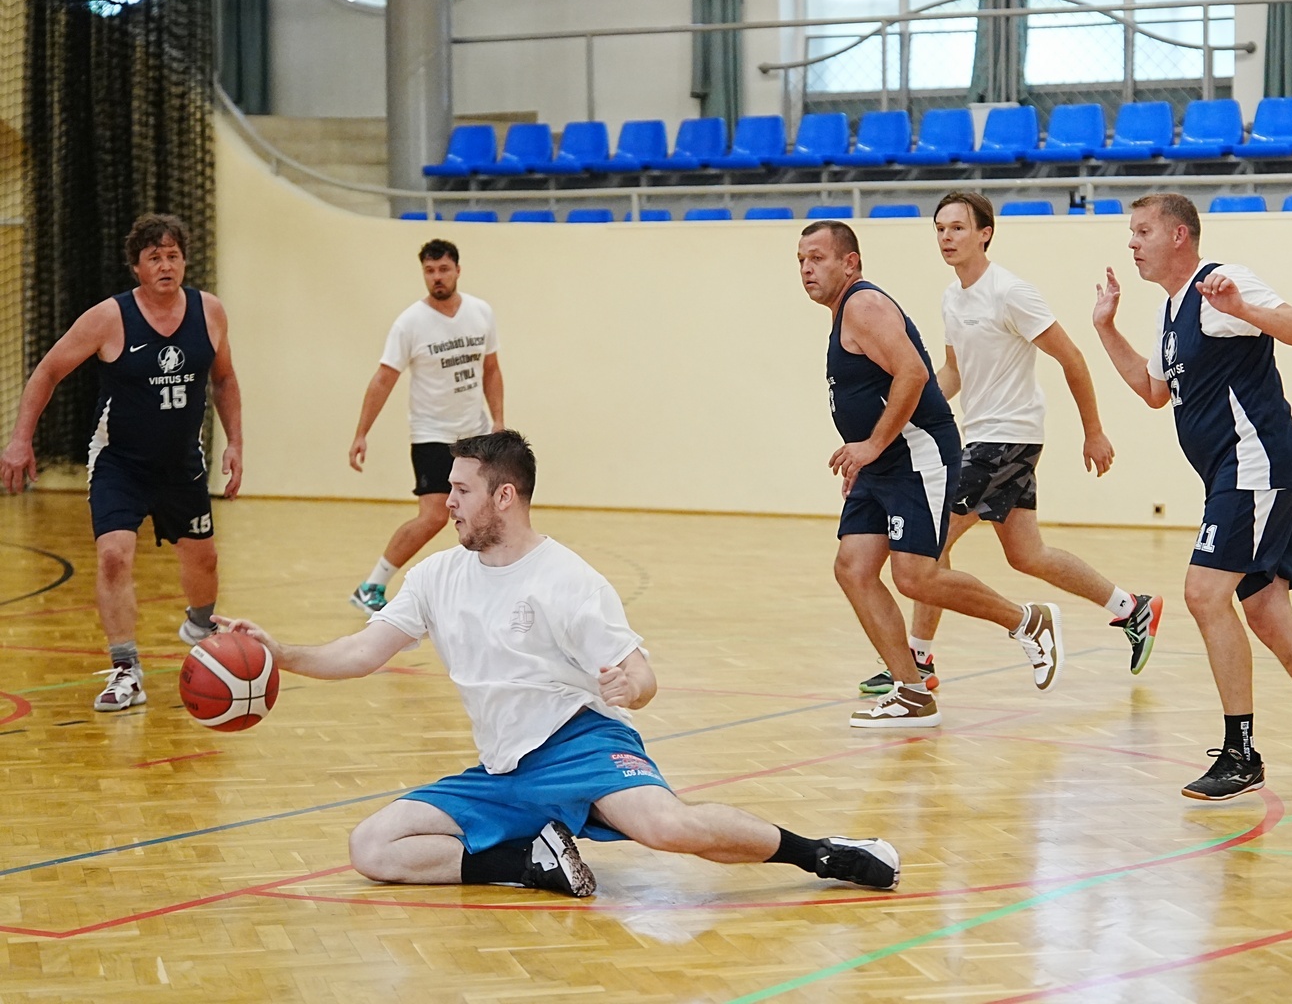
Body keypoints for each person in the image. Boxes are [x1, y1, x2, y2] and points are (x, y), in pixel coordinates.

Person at [216, 431, 900, 897]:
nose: (447, 502)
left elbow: (640, 673)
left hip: (579, 743)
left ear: (504, 496)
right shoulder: (435, 577)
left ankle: (821, 852)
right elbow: (361, 652)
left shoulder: (566, 579)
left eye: (461, 490)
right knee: (372, 848)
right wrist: (281, 654)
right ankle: (531, 862)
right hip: (502, 769)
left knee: (669, 827)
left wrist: (633, 686)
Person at [1090, 193, 1292, 800]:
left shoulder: (1221, 283)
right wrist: (1105, 328)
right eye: (1131, 234)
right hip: (1236, 474)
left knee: (1204, 593)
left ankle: (1240, 754)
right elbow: (1153, 390)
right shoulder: (1172, 308)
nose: (1132, 243)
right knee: (1269, 614)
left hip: (1254, 466)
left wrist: (1245, 307)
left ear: (1179, 235)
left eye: (1143, 231)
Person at [858, 192, 1163, 698]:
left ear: (985, 234)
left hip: (1007, 437)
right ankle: (1132, 608)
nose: (947, 237)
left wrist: (1093, 431)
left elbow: (1072, 359)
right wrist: (904, 416)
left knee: (929, 544)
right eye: (940, 229)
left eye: (958, 228)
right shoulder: (952, 298)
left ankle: (917, 658)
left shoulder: (1011, 293)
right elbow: (953, 372)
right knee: (1027, 554)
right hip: (984, 436)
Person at [798, 220, 1064, 731]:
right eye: (801, 260)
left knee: (915, 576)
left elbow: (914, 373)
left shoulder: (864, 304)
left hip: (914, 456)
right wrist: (865, 456)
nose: (807, 269)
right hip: (881, 461)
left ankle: (1027, 621)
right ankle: (912, 692)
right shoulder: (844, 313)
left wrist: (873, 444)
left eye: (818, 258)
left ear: (850, 263)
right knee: (853, 568)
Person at [0, 213, 244, 712]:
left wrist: (235, 442)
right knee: (114, 555)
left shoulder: (210, 311)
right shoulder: (108, 318)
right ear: (136, 267)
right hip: (120, 463)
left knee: (204, 561)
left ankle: (201, 626)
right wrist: (20, 440)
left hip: (181, 463)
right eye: (154, 257)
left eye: (173, 255)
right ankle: (125, 668)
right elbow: (47, 372)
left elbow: (223, 379)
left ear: (184, 262)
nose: (165, 265)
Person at [348, 238, 503, 613]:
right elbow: (383, 379)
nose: (437, 277)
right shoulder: (410, 323)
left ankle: (490, 585)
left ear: (458, 270)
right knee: (434, 516)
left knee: (488, 511)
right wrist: (361, 433)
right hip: (432, 434)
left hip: (476, 433)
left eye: (443, 269)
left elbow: (491, 370)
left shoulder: (481, 312)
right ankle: (371, 586)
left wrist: (498, 421)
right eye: (430, 271)